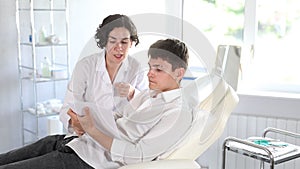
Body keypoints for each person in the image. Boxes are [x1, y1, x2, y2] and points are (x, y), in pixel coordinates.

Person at [0, 38, 194, 169]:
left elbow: (137, 155)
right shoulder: (151, 96)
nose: (150, 73)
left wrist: (93, 130)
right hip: (74, 143)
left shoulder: (177, 113)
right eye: (150, 67)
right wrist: (84, 122)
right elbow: (118, 118)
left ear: (179, 73)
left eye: (158, 69)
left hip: (87, 161)